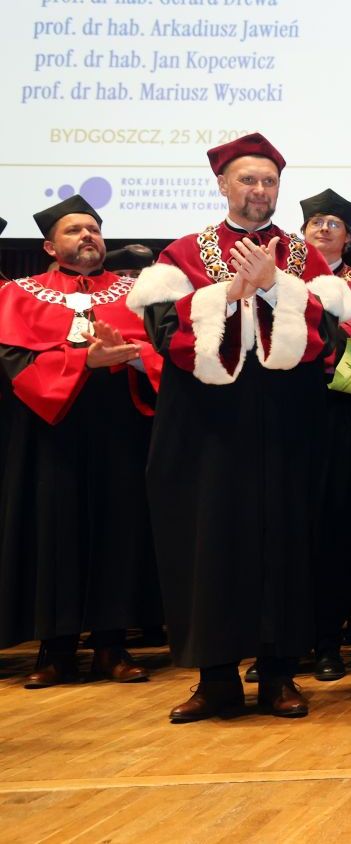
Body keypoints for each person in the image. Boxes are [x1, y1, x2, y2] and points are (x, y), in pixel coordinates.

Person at [126, 132, 351, 722]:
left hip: (287, 424)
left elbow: (332, 338)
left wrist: (276, 287)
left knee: (284, 540)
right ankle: (215, 680)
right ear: (223, 185)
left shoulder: (305, 259)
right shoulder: (181, 254)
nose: (260, 190)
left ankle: (281, 675)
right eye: (248, 180)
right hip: (208, 430)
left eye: (269, 181)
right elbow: (164, 335)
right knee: (210, 542)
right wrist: (231, 293)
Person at [0, 196, 163, 688]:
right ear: (50, 246)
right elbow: (13, 361)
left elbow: (160, 351)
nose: (87, 236)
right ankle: (55, 649)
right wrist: (79, 365)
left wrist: (133, 356)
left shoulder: (136, 292)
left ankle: (113, 645)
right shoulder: (19, 294)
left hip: (120, 428)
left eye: (93, 228)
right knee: (55, 529)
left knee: (120, 527)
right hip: (52, 431)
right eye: (74, 230)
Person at [300, 187, 351, 682]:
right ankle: (279, 644)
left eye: (334, 224)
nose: (324, 229)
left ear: (348, 239)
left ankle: (328, 641)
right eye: (316, 223)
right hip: (285, 416)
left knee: (332, 530)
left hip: (340, 419)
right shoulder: (281, 277)